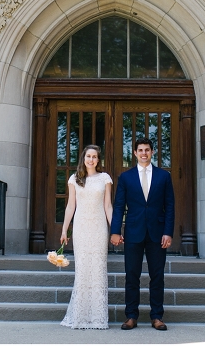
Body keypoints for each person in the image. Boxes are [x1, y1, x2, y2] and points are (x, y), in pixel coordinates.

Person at [110, 137, 175, 331]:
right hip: (133, 232)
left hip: (157, 233)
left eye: (147, 150)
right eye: (141, 150)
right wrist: (115, 231)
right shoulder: (126, 177)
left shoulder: (164, 176)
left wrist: (168, 232)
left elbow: (170, 206)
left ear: (152, 152)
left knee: (157, 276)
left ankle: (157, 316)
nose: (144, 153)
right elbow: (119, 205)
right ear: (135, 153)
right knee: (132, 276)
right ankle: (131, 316)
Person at [59, 144, 113, 329]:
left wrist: (114, 229)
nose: (91, 159)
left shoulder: (105, 178)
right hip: (81, 228)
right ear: (83, 158)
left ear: (98, 160)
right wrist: (65, 229)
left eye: (95, 156)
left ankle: (97, 318)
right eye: (88, 156)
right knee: (82, 270)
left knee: (98, 270)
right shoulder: (75, 179)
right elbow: (70, 206)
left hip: (98, 228)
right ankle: (80, 317)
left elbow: (108, 207)